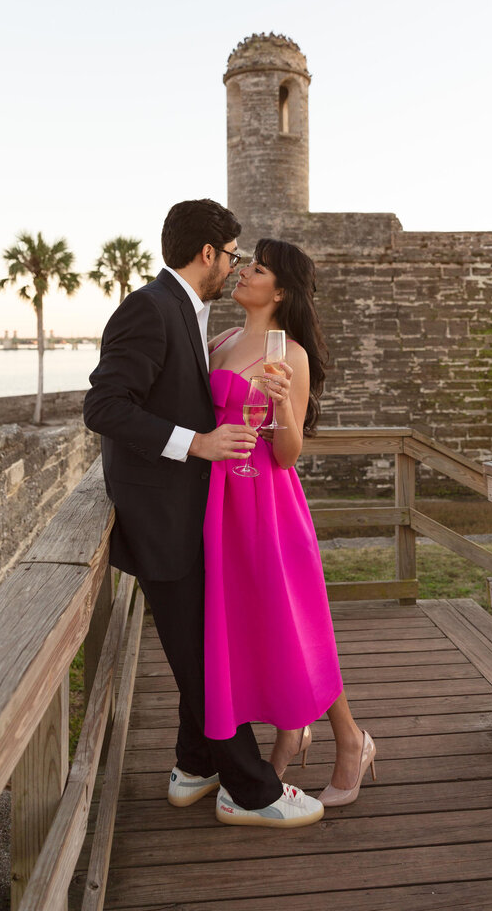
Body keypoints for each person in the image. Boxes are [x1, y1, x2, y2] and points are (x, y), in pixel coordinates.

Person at [83, 200, 324, 827]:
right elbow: (104, 407)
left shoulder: (191, 317)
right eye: (235, 254)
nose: (237, 267)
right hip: (161, 519)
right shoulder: (152, 309)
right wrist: (198, 443)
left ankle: (193, 768)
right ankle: (252, 791)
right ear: (209, 253)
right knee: (199, 660)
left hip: (201, 516)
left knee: (206, 645)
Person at [204, 237, 377, 807]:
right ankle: (285, 737)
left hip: (269, 502)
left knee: (295, 621)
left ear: (278, 291)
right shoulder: (222, 341)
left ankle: (349, 739)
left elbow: (287, 453)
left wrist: (281, 406)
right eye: (245, 264)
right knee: (251, 625)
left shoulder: (291, 355)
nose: (242, 274)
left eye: (256, 269)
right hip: (221, 503)